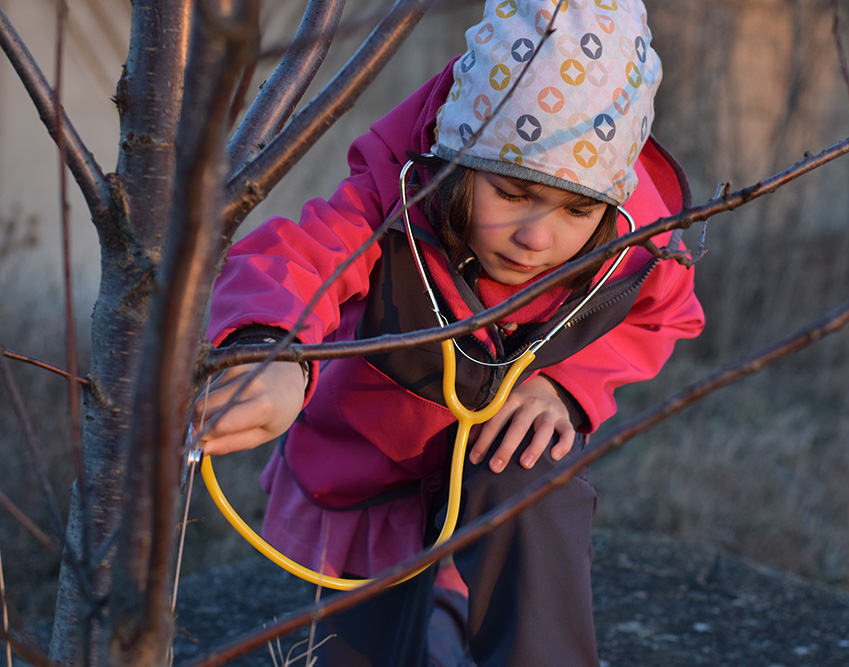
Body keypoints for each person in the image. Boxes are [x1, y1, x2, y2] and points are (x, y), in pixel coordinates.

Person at [199, 0, 705, 664]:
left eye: (576, 208)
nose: (537, 236)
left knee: (528, 478)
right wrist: (270, 348)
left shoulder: (628, 242)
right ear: (460, 159)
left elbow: (661, 312)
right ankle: (437, 619)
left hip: (496, 469)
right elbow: (301, 260)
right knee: (364, 643)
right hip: (373, 472)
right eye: (513, 193)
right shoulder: (394, 204)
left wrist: (566, 386)